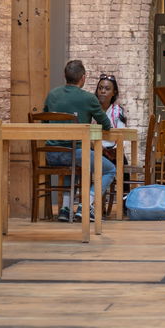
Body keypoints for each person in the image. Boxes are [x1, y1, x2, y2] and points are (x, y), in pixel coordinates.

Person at [43, 59, 114, 219]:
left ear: (64, 76)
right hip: (76, 153)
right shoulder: (88, 98)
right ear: (83, 78)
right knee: (110, 169)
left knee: (73, 165)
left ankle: (65, 209)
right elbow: (107, 125)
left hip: (52, 155)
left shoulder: (52, 95)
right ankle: (85, 205)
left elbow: (44, 123)